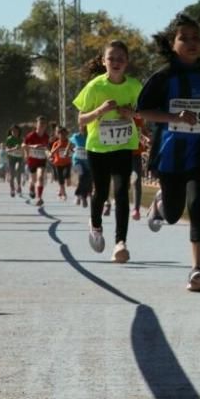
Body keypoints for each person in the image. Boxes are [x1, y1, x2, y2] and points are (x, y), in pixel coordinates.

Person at [138, 14, 200, 292]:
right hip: (170, 153)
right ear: (171, 42)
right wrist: (173, 116)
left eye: (196, 38)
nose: (191, 43)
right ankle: (161, 203)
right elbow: (142, 111)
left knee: (197, 205)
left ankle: (197, 270)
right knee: (174, 214)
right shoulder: (164, 77)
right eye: (184, 38)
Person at [73, 40, 143, 263]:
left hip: (124, 146)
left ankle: (120, 243)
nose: (116, 62)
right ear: (104, 61)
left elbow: (143, 115)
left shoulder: (134, 86)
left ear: (127, 62)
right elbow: (81, 120)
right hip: (98, 148)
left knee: (122, 192)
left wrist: (130, 113)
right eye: (111, 58)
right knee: (101, 191)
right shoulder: (95, 87)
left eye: (120, 58)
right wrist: (100, 110)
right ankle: (95, 225)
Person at [23, 116, 51, 208]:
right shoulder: (31, 135)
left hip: (41, 161)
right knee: (33, 180)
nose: (42, 125)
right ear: (36, 125)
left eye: (44, 123)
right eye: (40, 123)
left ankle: (39, 198)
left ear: (46, 125)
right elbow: (23, 145)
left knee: (40, 177)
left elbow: (47, 149)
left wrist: (49, 155)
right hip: (32, 160)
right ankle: (31, 186)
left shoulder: (46, 137)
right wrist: (30, 150)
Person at [49, 126, 73, 201]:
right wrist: (58, 147)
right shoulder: (56, 143)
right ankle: (63, 193)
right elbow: (52, 153)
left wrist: (70, 151)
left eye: (64, 134)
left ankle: (61, 191)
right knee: (61, 179)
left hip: (67, 163)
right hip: (58, 164)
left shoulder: (69, 142)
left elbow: (73, 150)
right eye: (61, 134)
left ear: (66, 134)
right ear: (58, 135)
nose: (63, 136)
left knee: (66, 178)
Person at [69, 124, 91, 207]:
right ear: (79, 128)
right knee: (81, 176)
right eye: (82, 127)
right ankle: (82, 197)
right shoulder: (76, 136)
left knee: (86, 180)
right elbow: (70, 142)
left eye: (85, 128)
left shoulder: (90, 136)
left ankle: (80, 195)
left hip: (88, 163)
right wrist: (68, 151)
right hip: (77, 161)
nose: (83, 129)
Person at [5, 125, 25, 197]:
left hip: (19, 158)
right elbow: (6, 150)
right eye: (13, 131)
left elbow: (24, 148)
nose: (14, 132)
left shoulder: (21, 139)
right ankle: (12, 189)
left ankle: (19, 186)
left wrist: (22, 149)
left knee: (18, 171)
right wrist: (14, 148)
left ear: (19, 131)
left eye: (16, 131)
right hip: (11, 158)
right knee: (12, 174)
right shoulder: (9, 139)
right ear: (11, 132)